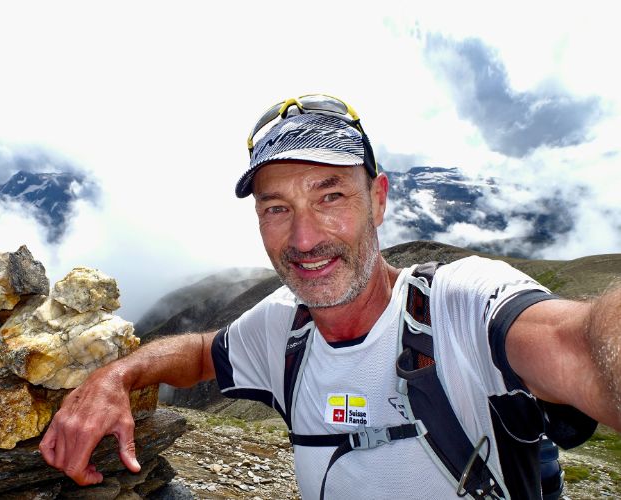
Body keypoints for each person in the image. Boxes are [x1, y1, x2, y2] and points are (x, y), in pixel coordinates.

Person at [40, 95, 621, 498]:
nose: (303, 238)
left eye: (330, 196)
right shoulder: (281, 329)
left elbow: (579, 344)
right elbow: (197, 354)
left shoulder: (464, 305)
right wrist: (114, 376)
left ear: (378, 199)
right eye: (277, 208)